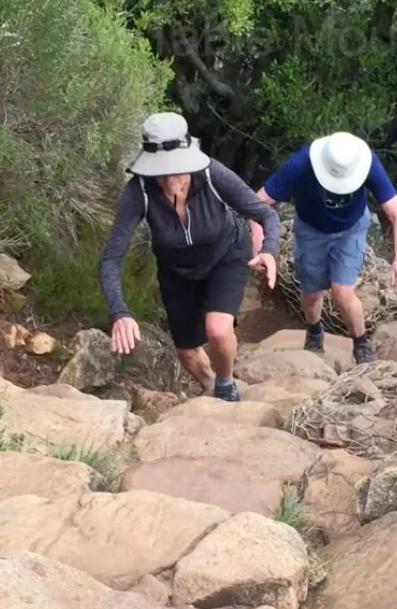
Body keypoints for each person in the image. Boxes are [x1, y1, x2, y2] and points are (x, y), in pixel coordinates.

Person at [100, 112, 279, 401]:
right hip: (177, 270)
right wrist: (119, 313)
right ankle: (210, 385)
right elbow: (111, 259)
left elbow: (264, 213)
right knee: (186, 351)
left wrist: (270, 250)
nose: (170, 180)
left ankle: (225, 385)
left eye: (177, 171)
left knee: (219, 331)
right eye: (161, 172)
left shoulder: (211, 174)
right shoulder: (139, 192)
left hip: (227, 254)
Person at [255, 132, 397, 363]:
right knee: (312, 291)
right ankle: (315, 330)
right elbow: (259, 202)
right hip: (311, 230)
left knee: (342, 291)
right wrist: (260, 247)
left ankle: (361, 344)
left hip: (351, 228)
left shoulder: (366, 161)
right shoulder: (302, 163)